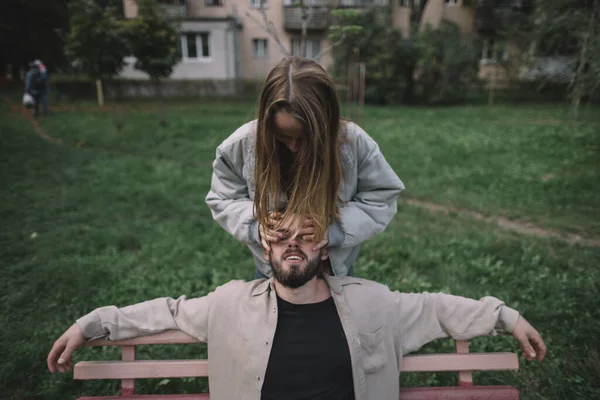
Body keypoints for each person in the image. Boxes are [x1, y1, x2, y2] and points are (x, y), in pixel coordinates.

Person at [48, 215, 546, 400]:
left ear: (324, 249)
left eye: (306, 235)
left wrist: (504, 316)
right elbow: (169, 313)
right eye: (279, 236)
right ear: (265, 250)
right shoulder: (228, 304)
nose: (292, 244)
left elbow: (437, 309)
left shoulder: (373, 302)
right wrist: (93, 325)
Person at [205, 56, 404, 279]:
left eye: (304, 138)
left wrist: (333, 230)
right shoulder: (239, 146)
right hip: (271, 273)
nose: (293, 146)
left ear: (326, 123)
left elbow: (381, 197)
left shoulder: (352, 143)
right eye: (282, 136)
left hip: (335, 273)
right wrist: (255, 226)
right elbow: (222, 199)